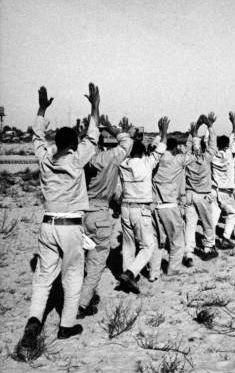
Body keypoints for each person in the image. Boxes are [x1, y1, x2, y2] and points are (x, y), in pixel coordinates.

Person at [19, 84, 101, 349]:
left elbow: (37, 138)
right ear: (74, 145)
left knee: (43, 277)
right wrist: (95, 107)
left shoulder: (46, 160)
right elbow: (92, 136)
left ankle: (34, 320)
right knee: (74, 274)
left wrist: (42, 109)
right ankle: (66, 325)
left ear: (57, 144)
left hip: (47, 224)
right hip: (70, 226)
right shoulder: (77, 160)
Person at [78, 114, 134, 318]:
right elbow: (127, 142)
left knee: (76, 262)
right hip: (99, 213)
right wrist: (111, 128)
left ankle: (76, 296)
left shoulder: (75, 160)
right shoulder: (107, 158)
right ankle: (82, 303)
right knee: (96, 263)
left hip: (77, 213)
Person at [118, 117, 167, 294]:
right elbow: (161, 148)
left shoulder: (123, 164)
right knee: (148, 245)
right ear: (143, 153)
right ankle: (131, 273)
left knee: (128, 245)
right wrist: (163, 132)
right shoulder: (147, 163)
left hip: (125, 207)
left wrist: (124, 133)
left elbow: (122, 150)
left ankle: (128, 275)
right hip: (141, 208)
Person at [149, 117, 199, 278]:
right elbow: (196, 154)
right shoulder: (178, 160)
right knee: (177, 241)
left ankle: (153, 273)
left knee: (157, 242)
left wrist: (161, 132)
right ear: (176, 147)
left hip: (155, 206)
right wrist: (194, 135)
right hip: (170, 205)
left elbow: (153, 147)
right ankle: (173, 270)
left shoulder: (154, 160)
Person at [184, 114, 218, 263]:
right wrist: (209, 126)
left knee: (190, 225)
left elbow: (188, 146)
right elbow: (213, 144)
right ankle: (208, 248)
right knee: (207, 223)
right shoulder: (206, 159)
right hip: (203, 195)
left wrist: (195, 131)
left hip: (190, 194)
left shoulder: (188, 159)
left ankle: (188, 253)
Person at [211, 111, 235, 249]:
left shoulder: (213, 154)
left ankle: (209, 241)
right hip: (225, 191)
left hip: (213, 190)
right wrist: (234, 125)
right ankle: (225, 238)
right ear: (227, 145)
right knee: (231, 213)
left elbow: (208, 141)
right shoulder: (229, 154)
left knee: (214, 215)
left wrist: (210, 126)